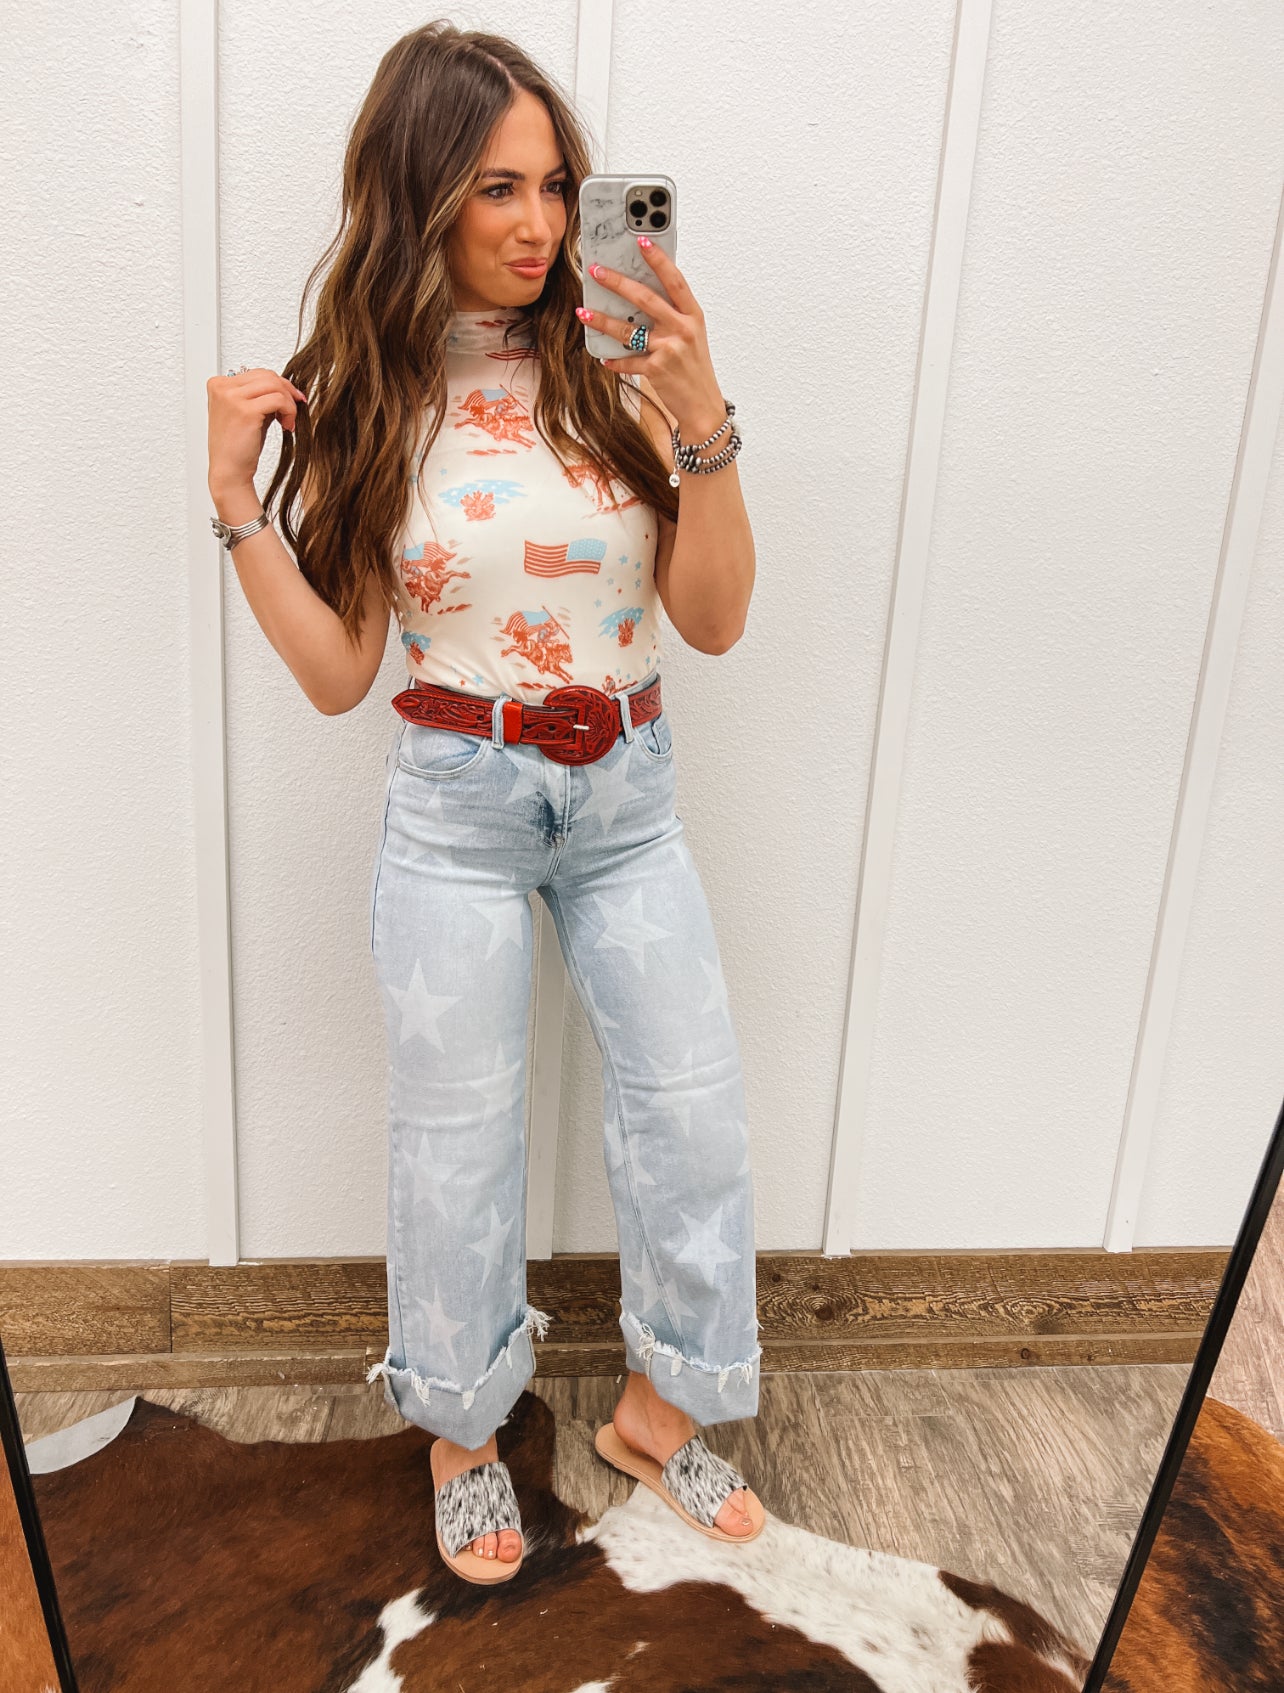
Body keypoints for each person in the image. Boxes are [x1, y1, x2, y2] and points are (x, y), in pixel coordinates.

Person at [205, 19, 762, 1586]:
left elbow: (714, 619)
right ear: (421, 194)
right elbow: (340, 671)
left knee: (692, 1109)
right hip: (457, 800)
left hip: (629, 793)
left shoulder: (620, 363)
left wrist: (703, 414)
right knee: (456, 1141)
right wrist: (238, 502)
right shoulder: (370, 395)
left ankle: (660, 1408)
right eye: (496, 188)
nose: (536, 222)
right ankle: (462, 1432)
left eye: (557, 185)